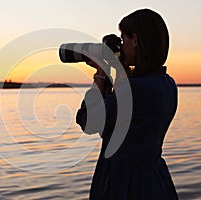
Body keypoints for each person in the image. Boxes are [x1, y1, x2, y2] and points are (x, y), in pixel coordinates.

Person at [76, 8, 179, 199]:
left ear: (136, 40)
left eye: (123, 40)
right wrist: (118, 70)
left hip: (125, 185)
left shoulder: (134, 90)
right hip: (155, 180)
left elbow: (88, 121)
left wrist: (100, 73)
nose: (121, 46)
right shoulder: (167, 84)